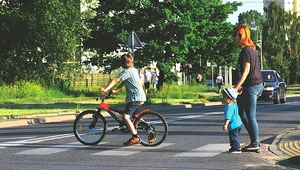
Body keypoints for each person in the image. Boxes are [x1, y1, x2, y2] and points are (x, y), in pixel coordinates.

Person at [100, 53, 146, 146]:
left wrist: (106, 89)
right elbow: (125, 81)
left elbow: (116, 80)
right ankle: (142, 129)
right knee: (133, 117)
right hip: (139, 96)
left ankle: (135, 137)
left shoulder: (127, 71)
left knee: (125, 117)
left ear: (123, 63)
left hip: (134, 98)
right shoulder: (133, 70)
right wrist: (117, 89)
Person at [232, 24, 264, 151]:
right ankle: (254, 141)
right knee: (242, 112)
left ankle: (255, 143)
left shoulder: (246, 50)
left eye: (235, 35)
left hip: (252, 86)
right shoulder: (252, 49)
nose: (233, 38)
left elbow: (246, 71)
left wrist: (237, 86)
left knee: (250, 115)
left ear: (241, 36)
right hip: (254, 84)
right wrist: (242, 86)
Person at [222, 88, 243, 154]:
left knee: (233, 136)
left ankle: (237, 148)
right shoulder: (234, 104)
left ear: (229, 98)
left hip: (233, 125)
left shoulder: (229, 107)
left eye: (224, 97)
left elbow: (228, 117)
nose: (223, 98)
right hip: (239, 123)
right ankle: (233, 147)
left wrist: (225, 124)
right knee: (233, 136)